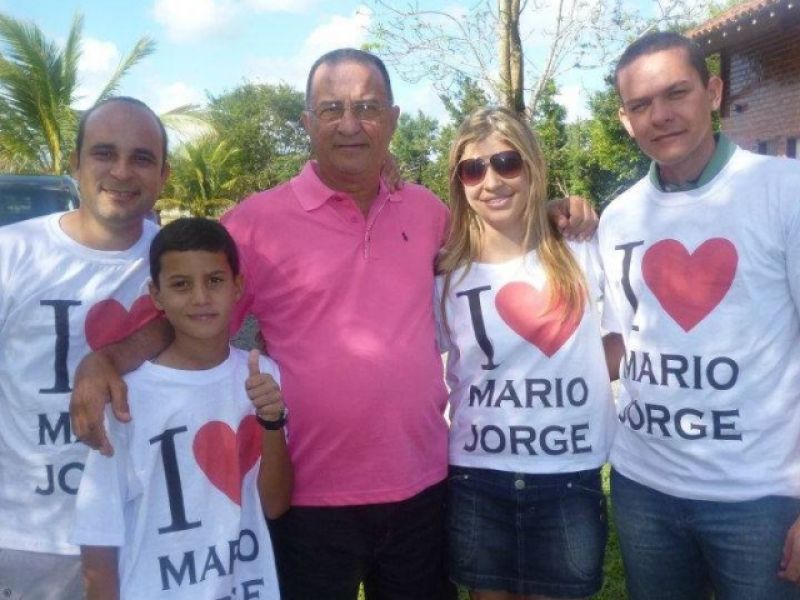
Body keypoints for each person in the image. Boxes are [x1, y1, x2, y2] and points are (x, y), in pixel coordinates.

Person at [70, 49, 597, 600]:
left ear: (392, 120)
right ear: (307, 122)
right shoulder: (256, 224)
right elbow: (190, 313)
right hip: (309, 499)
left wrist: (549, 214)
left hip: (424, 487)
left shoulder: (426, 211)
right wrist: (109, 360)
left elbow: (492, 244)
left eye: (367, 107)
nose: (349, 124)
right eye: (331, 109)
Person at [598, 31, 800, 599]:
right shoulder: (619, 217)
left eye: (676, 93)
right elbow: (621, 342)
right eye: (641, 104)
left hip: (759, 498)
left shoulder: (784, 192)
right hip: (643, 489)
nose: (660, 115)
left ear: (713, 92)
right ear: (625, 120)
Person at [437, 107, 616, 600]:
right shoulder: (446, 274)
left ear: (532, 165)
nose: (491, 181)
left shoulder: (582, 249)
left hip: (568, 477)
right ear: (459, 182)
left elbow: (626, 337)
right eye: (473, 169)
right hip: (478, 475)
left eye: (507, 162)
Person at [0, 96, 169, 599]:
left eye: (142, 158)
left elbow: (204, 328)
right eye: (104, 153)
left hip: (146, 532)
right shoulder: (13, 254)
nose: (122, 171)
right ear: (75, 163)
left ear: (164, 174)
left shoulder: (177, 262)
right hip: (32, 539)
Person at [71, 217, 291, 600]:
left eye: (215, 280)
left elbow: (274, 504)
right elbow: (98, 530)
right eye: (181, 285)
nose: (200, 297)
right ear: (156, 296)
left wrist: (272, 422)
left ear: (238, 287)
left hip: (245, 587)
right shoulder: (129, 395)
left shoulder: (263, 376)